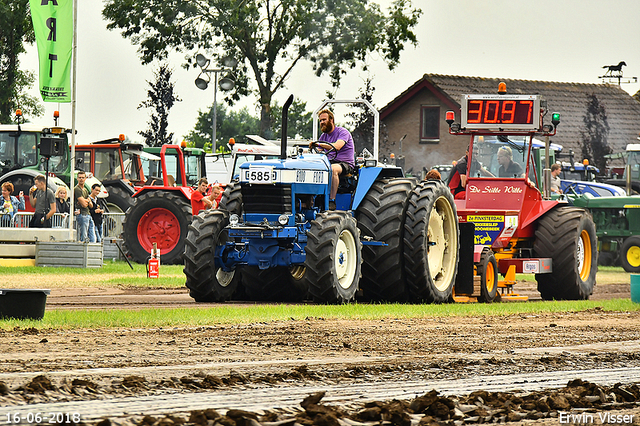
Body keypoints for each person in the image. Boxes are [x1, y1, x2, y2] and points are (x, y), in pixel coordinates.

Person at [309, 109, 355, 209]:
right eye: (320, 121)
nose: (322, 122)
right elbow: (318, 150)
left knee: (332, 169)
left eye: (324, 120)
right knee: (312, 168)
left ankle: (331, 201)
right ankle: (310, 201)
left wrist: (319, 144)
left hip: (345, 164)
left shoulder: (342, 132)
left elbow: (337, 146)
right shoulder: (323, 136)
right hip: (330, 162)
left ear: (331, 120)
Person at [74, 171, 94, 242]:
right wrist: (87, 201)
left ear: (85, 178)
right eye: (80, 177)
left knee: (92, 236)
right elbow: (84, 205)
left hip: (88, 214)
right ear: (77, 178)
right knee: (84, 236)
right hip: (82, 214)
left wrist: (87, 201)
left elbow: (91, 205)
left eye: (83, 177)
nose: (81, 179)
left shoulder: (85, 190)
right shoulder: (77, 189)